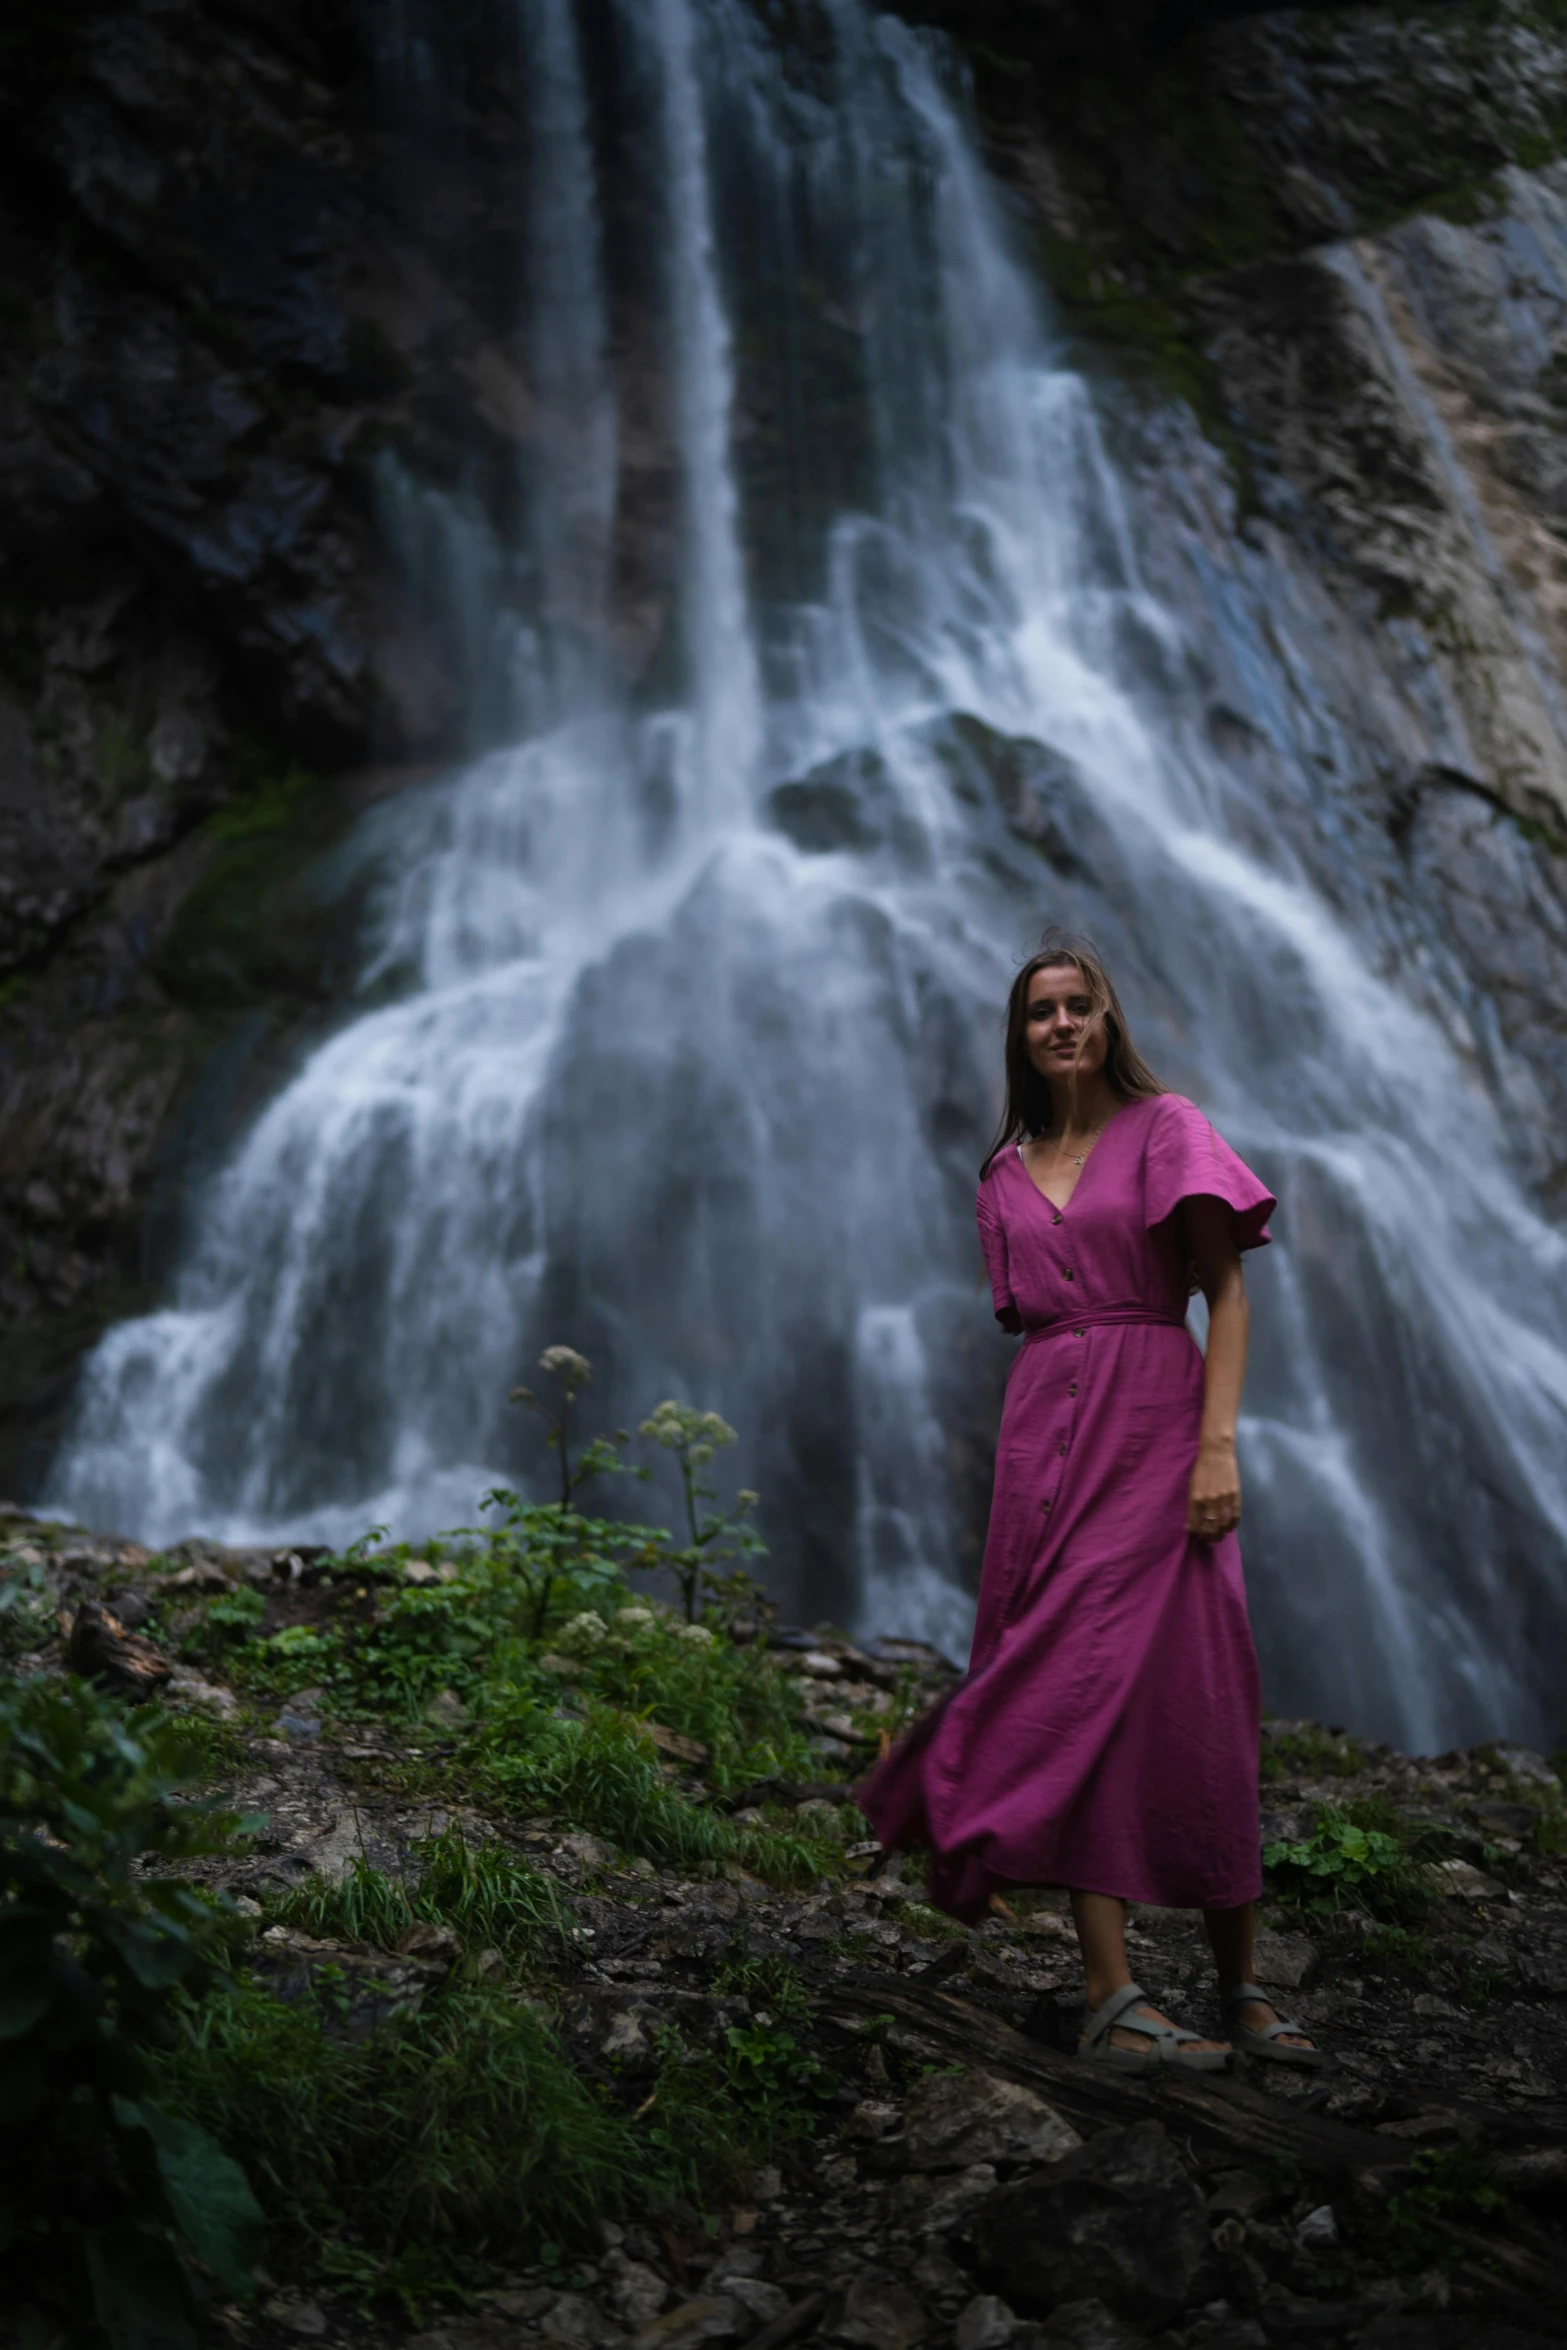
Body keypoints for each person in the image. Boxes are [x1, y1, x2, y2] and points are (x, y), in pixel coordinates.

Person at [858, 936, 1322, 2071]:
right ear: (1019, 1038)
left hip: (1160, 1428)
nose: (1060, 1024)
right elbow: (1032, 1319)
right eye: (1039, 1012)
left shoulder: (1167, 1130)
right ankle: (1110, 1994)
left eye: (1078, 1005)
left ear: (1108, 1021)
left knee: (1200, 1691)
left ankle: (1240, 1984)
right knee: (1068, 1686)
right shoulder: (1000, 1178)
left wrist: (1217, 1450)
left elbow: (1226, 1294)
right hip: (1044, 1446)